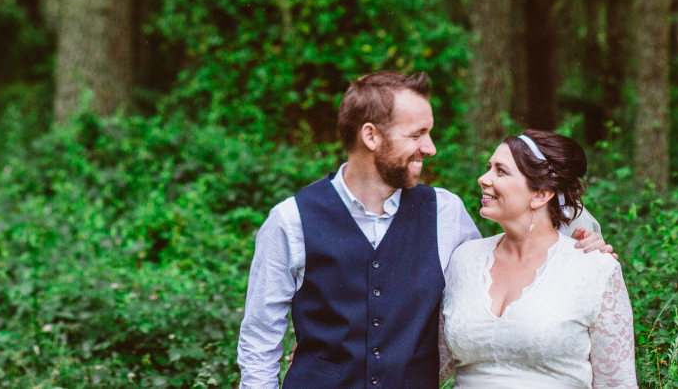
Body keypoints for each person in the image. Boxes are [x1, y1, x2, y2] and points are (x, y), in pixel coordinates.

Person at [237, 72, 613, 389]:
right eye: (417, 135)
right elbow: (259, 342)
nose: (430, 148)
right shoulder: (290, 221)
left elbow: (501, 268)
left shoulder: (445, 212)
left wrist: (575, 247)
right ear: (371, 136)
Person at [442, 132, 637, 388]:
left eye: (501, 171)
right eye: (489, 168)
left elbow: (618, 383)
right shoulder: (463, 259)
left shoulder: (595, 267)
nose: (483, 178)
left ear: (540, 195)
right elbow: (430, 363)